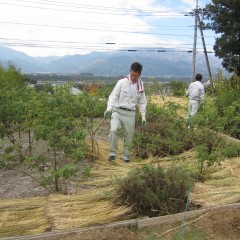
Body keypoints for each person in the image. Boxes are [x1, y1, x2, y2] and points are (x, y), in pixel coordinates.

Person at [104, 62, 147, 163]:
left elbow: (142, 102)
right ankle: (112, 154)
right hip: (117, 111)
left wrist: (143, 116)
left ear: (139, 74)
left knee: (129, 135)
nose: (133, 77)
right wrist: (109, 109)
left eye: (136, 75)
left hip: (130, 113)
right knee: (114, 130)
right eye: (132, 74)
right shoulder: (121, 82)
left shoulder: (140, 87)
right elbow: (113, 96)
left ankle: (126, 156)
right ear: (130, 72)